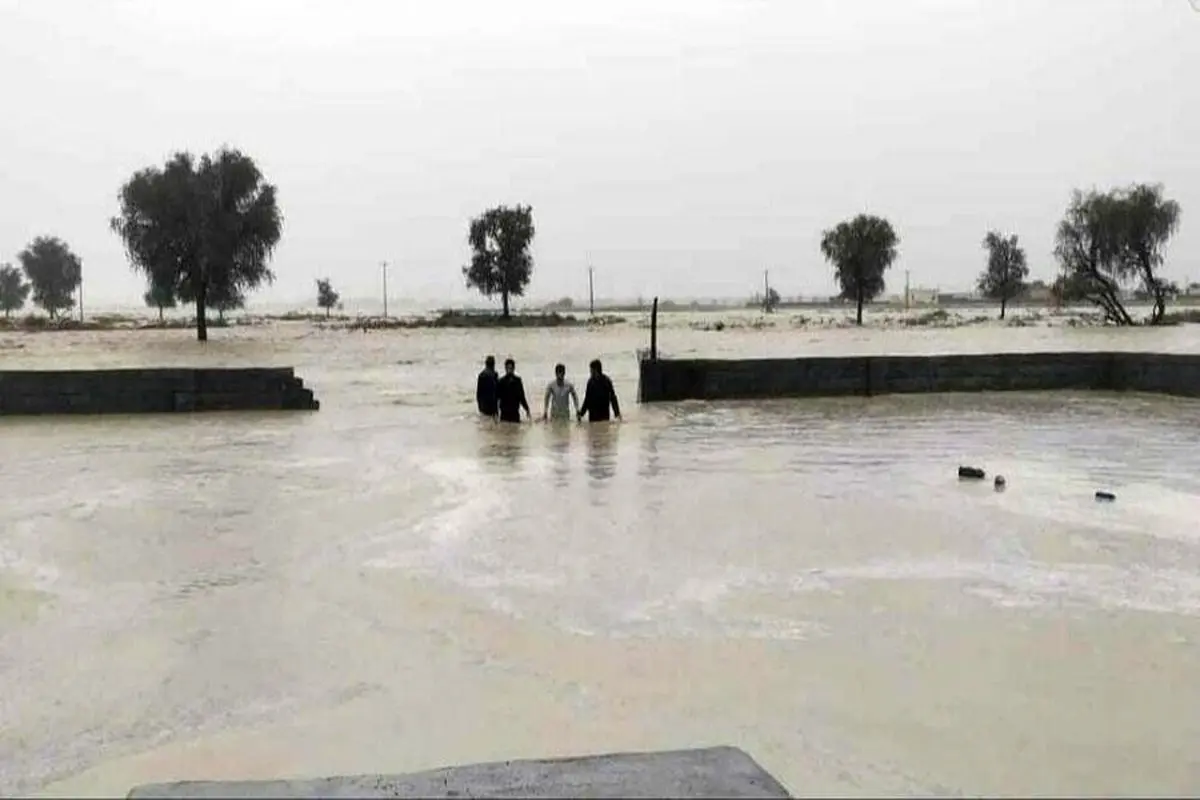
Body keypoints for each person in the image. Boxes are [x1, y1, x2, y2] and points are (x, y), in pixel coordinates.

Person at [577, 358, 621, 423]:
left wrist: (617, 413)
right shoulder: (590, 382)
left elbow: (613, 398)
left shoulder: (606, 381)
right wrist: (581, 414)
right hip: (593, 416)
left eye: (591, 370)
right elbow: (587, 399)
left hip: (604, 414)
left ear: (595, 369)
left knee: (604, 431)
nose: (590, 371)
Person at [496, 358, 531, 423]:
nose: (509, 370)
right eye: (508, 368)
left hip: (514, 413)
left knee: (516, 431)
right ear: (505, 368)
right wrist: (496, 413)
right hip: (504, 413)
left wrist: (527, 409)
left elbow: (522, 397)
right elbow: (497, 398)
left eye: (511, 368)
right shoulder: (501, 381)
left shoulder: (518, 381)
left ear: (514, 368)